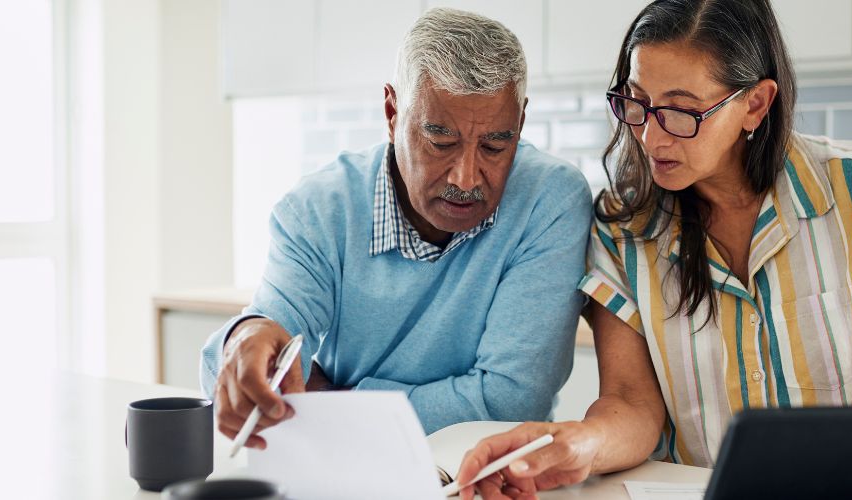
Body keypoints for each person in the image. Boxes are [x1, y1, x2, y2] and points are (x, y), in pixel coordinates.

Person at [454, 0, 852, 497]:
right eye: (637, 102)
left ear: (755, 104)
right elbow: (630, 403)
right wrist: (577, 444)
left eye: (680, 111)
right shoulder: (622, 228)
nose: (650, 136)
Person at [200, 8, 593, 449]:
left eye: (496, 145)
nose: (466, 177)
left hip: (489, 473)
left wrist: (331, 402)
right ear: (392, 112)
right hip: (340, 467)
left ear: (520, 123)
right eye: (440, 141)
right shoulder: (318, 210)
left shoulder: (550, 200)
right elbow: (267, 346)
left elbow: (509, 402)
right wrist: (247, 337)